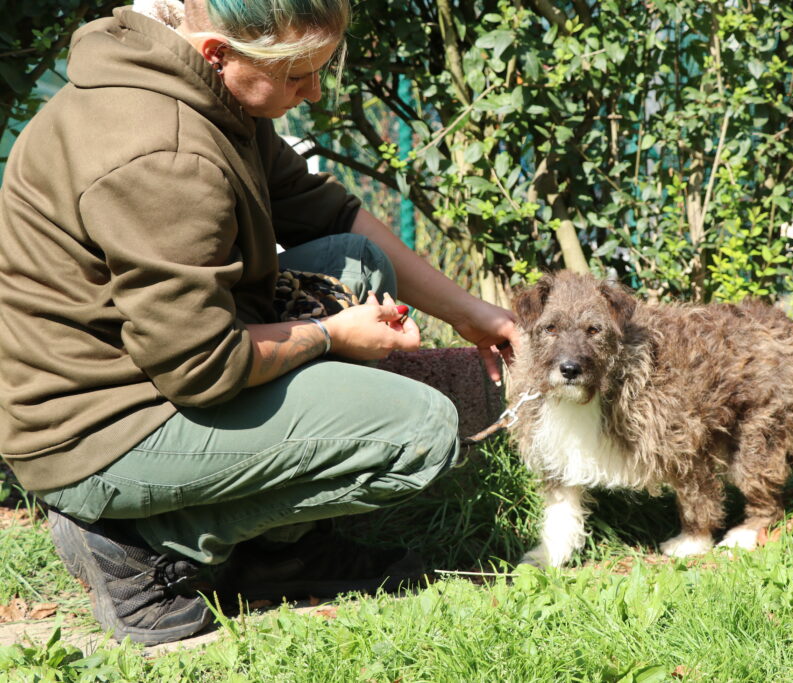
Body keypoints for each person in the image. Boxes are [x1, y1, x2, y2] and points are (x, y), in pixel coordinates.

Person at [0, 0, 517, 645]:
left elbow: (327, 213)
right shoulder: (166, 154)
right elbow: (201, 365)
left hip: (148, 364)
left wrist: (473, 313)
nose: (315, 90)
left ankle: (277, 552)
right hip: (97, 431)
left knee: (353, 264)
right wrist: (334, 335)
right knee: (419, 432)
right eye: (298, 74)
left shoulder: (197, 86)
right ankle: (144, 545)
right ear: (218, 52)